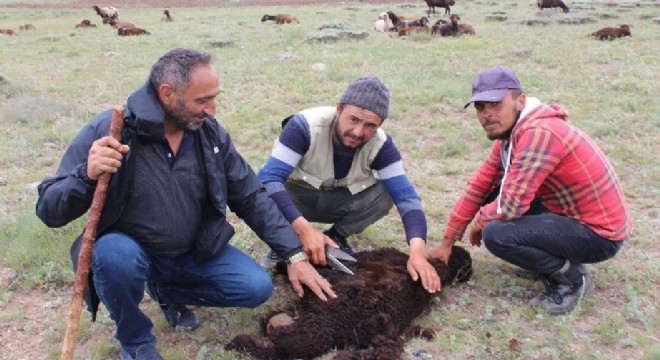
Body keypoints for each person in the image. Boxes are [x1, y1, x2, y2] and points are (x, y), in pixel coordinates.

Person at [35, 48, 335, 360]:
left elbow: (250, 195)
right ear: (167, 94)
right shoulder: (113, 130)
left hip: (192, 252)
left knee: (255, 287)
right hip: (130, 251)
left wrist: (292, 254)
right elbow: (49, 209)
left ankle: (164, 291)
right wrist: (86, 174)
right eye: (202, 100)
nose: (212, 109)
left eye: (214, 97)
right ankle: (135, 340)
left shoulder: (209, 135)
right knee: (114, 257)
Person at [432, 66, 632, 315]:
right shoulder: (512, 135)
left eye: (495, 103)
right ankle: (552, 260)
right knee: (492, 195)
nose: (487, 114)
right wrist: (448, 241)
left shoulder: (538, 133)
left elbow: (512, 205)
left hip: (600, 235)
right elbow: (479, 185)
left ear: (521, 101)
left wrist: (481, 221)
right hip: (574, 218)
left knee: (497, 233)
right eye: (480, 107)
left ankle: (571, 280)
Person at [257, 76, 442, 294]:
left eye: (370, 125)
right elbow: (267, 179)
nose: (358, 132)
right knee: (265, 190)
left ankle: (336, 238)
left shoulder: (381, 144)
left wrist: (418, 253)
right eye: (353, 119)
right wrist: (304, 229)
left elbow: (406, 197)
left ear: (380, 124)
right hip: (296, 199)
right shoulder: (304, 126)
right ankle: (285, 241)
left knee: (387, 192)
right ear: (338, 109)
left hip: (338, 200)